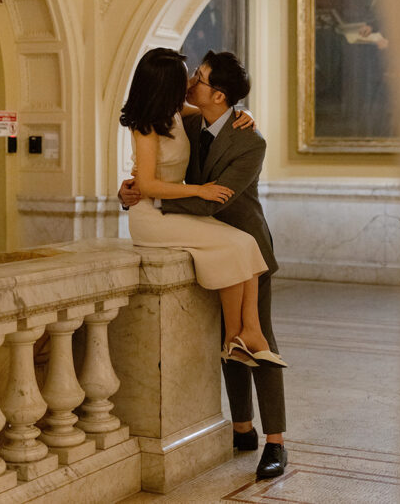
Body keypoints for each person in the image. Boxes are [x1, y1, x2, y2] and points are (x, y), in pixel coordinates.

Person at [119, 50, 289, 479]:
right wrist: (135, 194)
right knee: (226, 337)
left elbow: (218, 197)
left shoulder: (250, 139)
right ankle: (243, 428)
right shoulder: (189, 119)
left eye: (199, 77)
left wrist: (157, 200)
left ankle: (276, 442)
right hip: (199, 238)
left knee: (259, 341)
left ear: (217, 93)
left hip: (242, 240)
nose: (192, 82)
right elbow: (154, 160)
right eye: (190, 76)